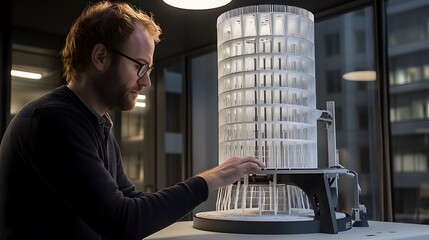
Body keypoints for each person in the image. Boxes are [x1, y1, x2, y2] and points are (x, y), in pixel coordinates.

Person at [0, 1, 264, 240]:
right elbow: (123, 221)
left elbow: (133, 201)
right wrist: (209, 180)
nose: (146, 81)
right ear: (100, 57)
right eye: (139, 66)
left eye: (148, 70)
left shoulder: (97, 123)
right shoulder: (52, 120)